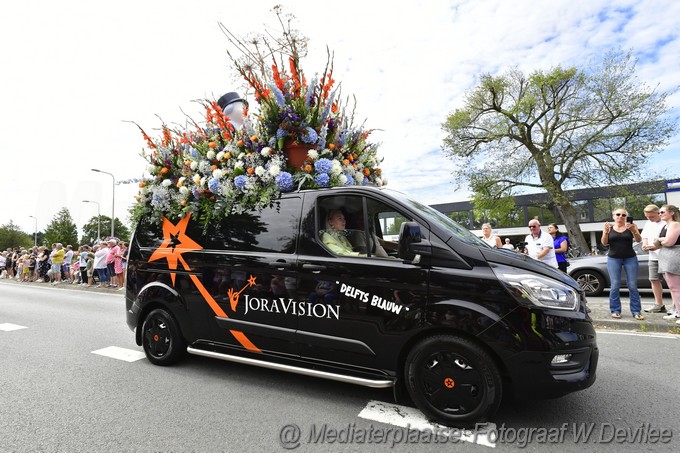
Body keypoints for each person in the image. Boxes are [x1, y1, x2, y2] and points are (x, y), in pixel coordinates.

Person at [602, 208, 643, 320]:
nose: (621, 216)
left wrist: (634, 230)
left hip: (630, 257)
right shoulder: (609, 228)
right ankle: (615, 310)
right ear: (613, 216)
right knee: (615, 285)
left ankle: (636, 311)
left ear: (626, 217)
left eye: (623, 215)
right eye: (618, 214)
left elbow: (639, 240)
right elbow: (604, 243)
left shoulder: (631, 227)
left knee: (633, 285)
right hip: (613, 258)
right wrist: (605, 232)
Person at [655, 205, 680, 324]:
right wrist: (662, 240)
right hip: (667, 257)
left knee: (676, 288)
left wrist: (660, 239)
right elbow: (661, 243)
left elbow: (669, 242)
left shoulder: (675, 224)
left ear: (671, 212)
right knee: (673, 287)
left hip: (674, 256)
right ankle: (677, 312)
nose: (660, 214)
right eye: (659, 212)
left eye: (662, 212)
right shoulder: (666, 225)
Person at [640, 205, 668, 313]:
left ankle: (676, 306)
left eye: (651, 216)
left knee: (671, 282)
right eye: (647, 217)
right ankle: (658, 304)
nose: (649, 219)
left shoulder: (666, 223)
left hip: (666, 255)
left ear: (658, 213)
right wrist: (645, 245)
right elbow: (645, 236)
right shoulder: (648, 223)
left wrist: (656, 246)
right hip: (653, 256)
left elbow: (670, 239)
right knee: (654, 279)